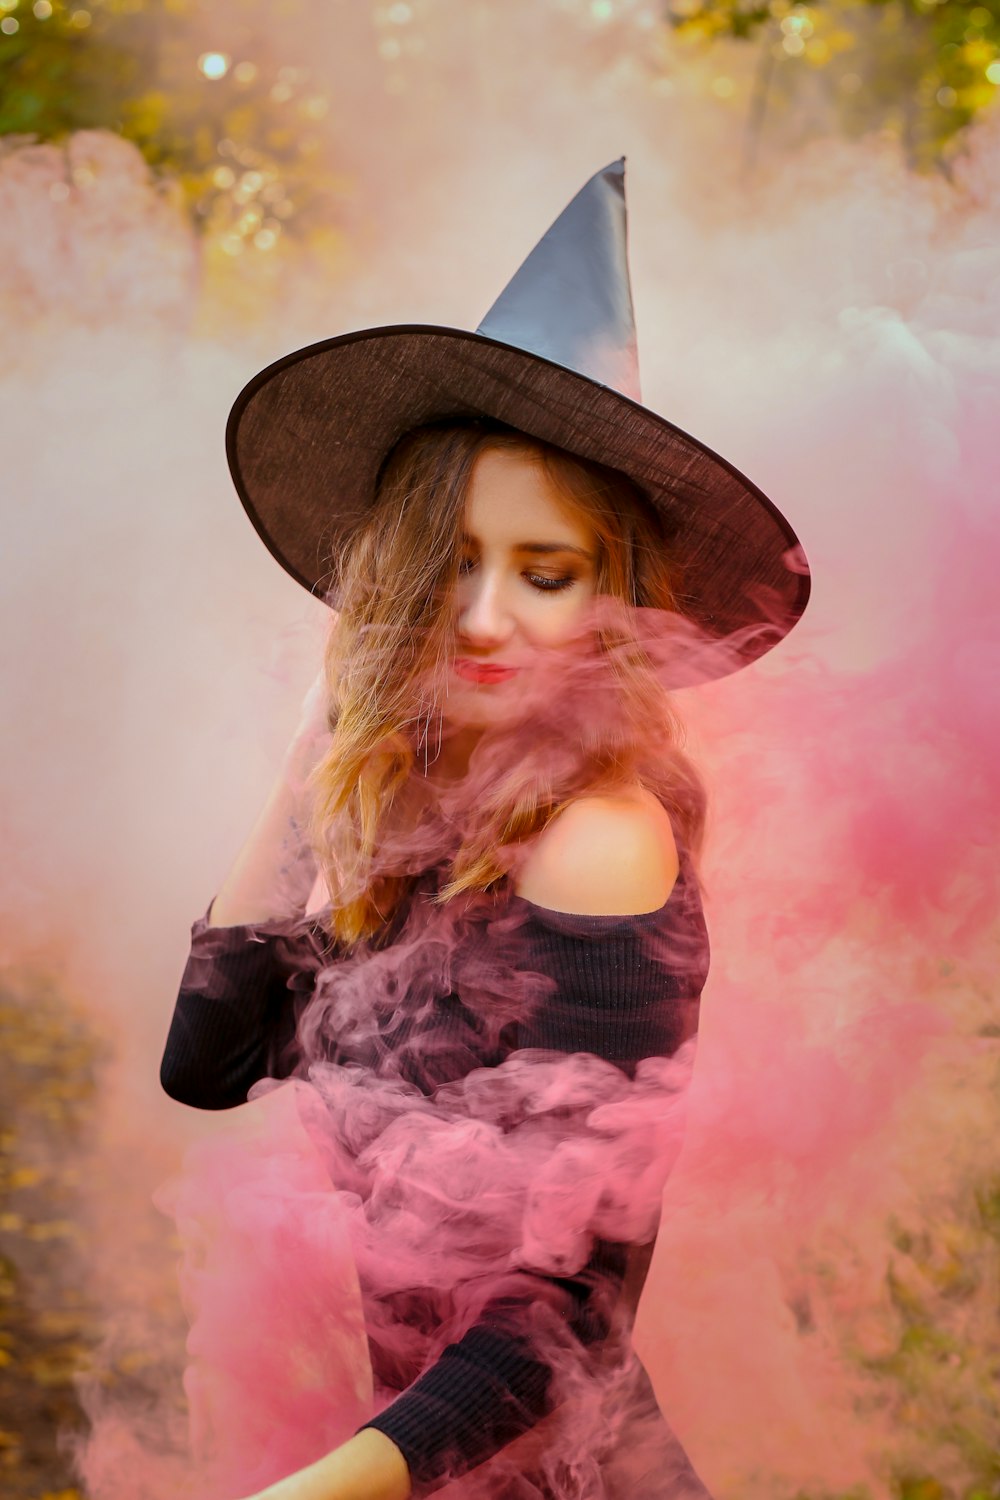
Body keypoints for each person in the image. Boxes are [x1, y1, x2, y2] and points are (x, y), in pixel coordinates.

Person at [157, 161, 811, 1500]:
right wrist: (327, 729)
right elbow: (205, 1059)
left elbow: (560, 1324)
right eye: (449, 560)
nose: (486, 615)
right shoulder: (408, 812)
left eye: (545, 571)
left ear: (611, 600)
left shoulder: (600, 841)